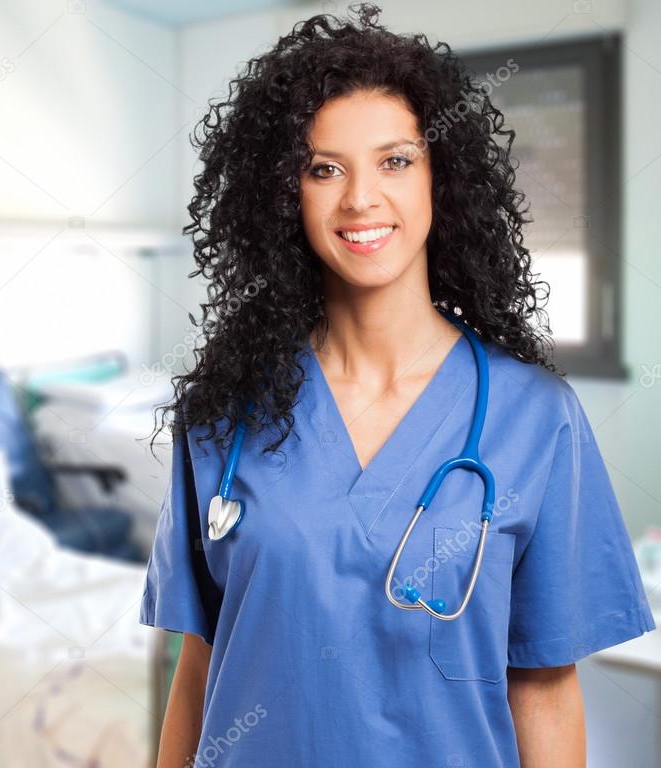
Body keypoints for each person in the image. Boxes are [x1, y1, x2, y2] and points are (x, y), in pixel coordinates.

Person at [140, 5, 655, 767]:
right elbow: (200, 669)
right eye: (324, 169)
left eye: (395, 161)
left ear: (440, 180)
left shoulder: (533, 420)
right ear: (286, 196)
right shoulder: (223, 416)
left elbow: (544, 687)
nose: (360, 200)